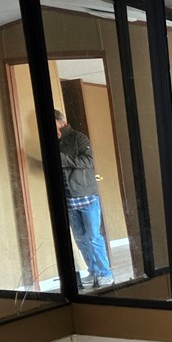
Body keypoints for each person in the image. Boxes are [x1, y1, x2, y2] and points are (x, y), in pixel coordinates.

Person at [55, 109, 113, 288]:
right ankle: (93, 271)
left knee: (94, 237)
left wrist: (62, 158)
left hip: (88, 196)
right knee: (80, 239)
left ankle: (105, 273)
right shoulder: (52, 142)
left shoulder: (78, 138)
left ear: (61, 122)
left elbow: (88, 161)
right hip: (68, 197)